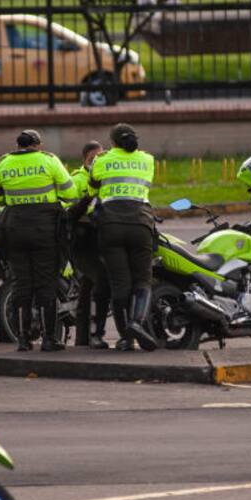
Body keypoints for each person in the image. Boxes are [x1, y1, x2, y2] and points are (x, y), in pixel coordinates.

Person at [0, 129, 77, 352]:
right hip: (44, 229)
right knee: (45, 284)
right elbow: (70, 193)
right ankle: (49, 339)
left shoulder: (3, 164)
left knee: (21, 284)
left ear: (18, 145)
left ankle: (23, 340)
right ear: (38, 145)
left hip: (14, 229)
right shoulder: (49, 161)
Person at [88, 123, 161, 352]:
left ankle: (125, 338)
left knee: (120, 283)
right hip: (140, 224)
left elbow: (92, 190)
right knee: (142, 281)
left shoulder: (102, 160)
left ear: (112, 142)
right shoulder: (148, 160)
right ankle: (136, 323)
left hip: (111, 226)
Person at [68, 140, 111, 349]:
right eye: (92, 159)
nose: (96, 162)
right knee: (100, 279)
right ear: (84, 161)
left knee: (87, 287)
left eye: (100, 158)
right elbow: (72, 209)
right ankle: (93, 335)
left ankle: (82, 339)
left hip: (101, 239)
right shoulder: (78, 179)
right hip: (84, 240)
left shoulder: (106, 176)